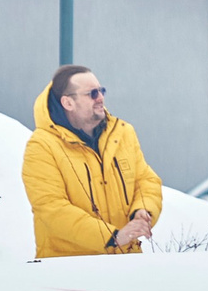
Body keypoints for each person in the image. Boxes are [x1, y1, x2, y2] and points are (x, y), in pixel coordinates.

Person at [22, 63, 164, 257]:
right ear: (68, 103)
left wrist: (142, 211)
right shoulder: (42, 146)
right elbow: (51, 208)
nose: (100, 98)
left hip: (127, 261)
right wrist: (112, 238)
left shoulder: (123, 133)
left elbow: (146, 180)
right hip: (69, 267)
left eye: (101, 91)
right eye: (92, 94)